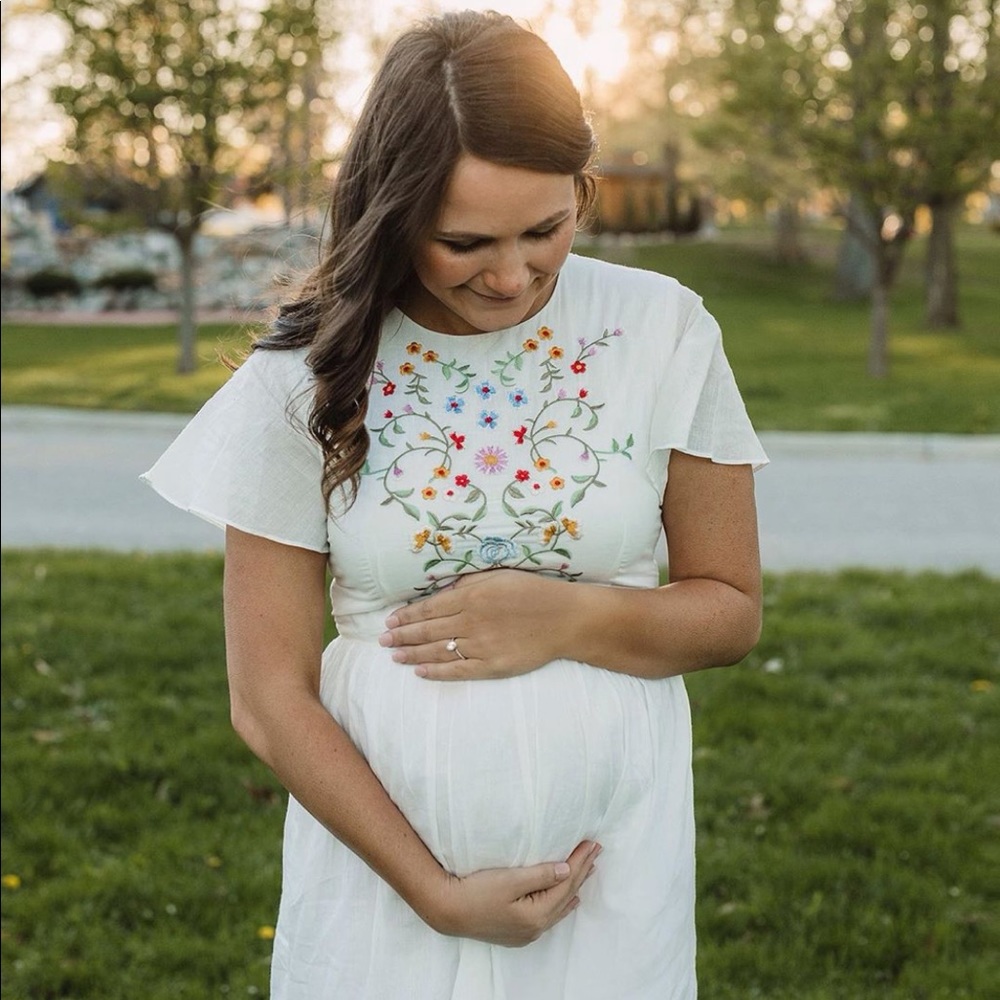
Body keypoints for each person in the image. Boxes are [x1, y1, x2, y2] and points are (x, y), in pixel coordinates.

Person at [142, 9, 768, 998]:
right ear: (392, 215)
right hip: (383, 889)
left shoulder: (662, 330)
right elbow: (266, 697)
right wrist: (432, 890)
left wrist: (569, 617)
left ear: (584, 193)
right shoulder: (306, 374)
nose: (513, 274)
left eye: (546, 229)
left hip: (606, 874)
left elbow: (729, 612)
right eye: (465, 240)